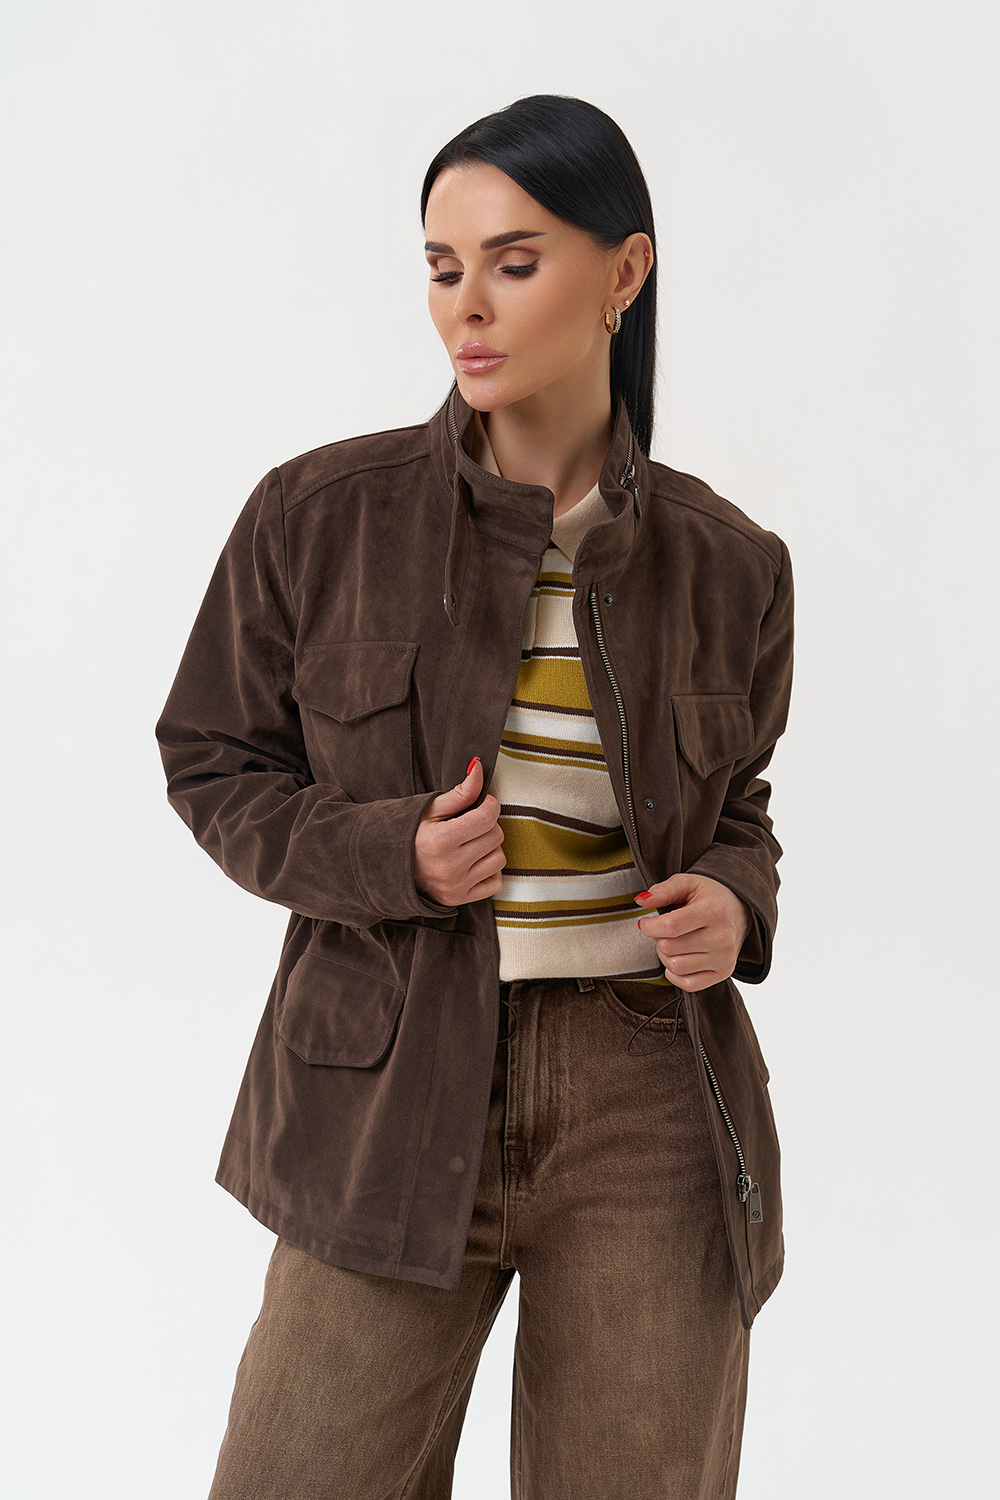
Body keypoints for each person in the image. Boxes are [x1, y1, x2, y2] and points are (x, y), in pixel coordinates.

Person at [156, 93, 794, 1500]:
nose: (468, 305)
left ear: (625, 272)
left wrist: (732, 902)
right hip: (387, 1078)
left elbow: (741, 806)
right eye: (444, 267)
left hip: (647, 1096)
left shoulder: (732, 563)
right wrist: (389, 853)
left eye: (514, 260)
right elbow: (211, 757)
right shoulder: (318, 517)